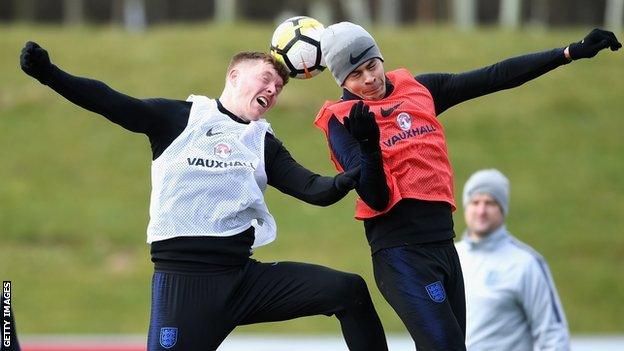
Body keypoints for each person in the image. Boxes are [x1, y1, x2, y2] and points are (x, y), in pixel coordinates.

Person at [20, 41, 388, 351]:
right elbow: (110, 102)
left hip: (243, 280)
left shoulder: (263, 143)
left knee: (348, 290)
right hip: (184, 283)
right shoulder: (179, 118)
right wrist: (49, 74)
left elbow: (314, 190)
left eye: (279, 86)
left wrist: (354, 171)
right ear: (234, 76)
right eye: (266, 79)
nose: (274, 90)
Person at [313, 22, 620, 350]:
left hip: (444, 246)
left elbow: (494, 76)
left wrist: (567, 53)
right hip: (401, 254)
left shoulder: (419, 90)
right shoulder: (341, 119)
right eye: (356, 75)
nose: (370, 79)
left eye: (372, 65)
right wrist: (368, 144)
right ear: (341, 80)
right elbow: (375, 197)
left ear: (380, 58)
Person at [456, 169, 570, 350]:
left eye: (490, 203)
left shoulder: (526, 264)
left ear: (503, 208)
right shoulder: (452, 258)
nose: (481, 211)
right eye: (475, 202)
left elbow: (552, 334)